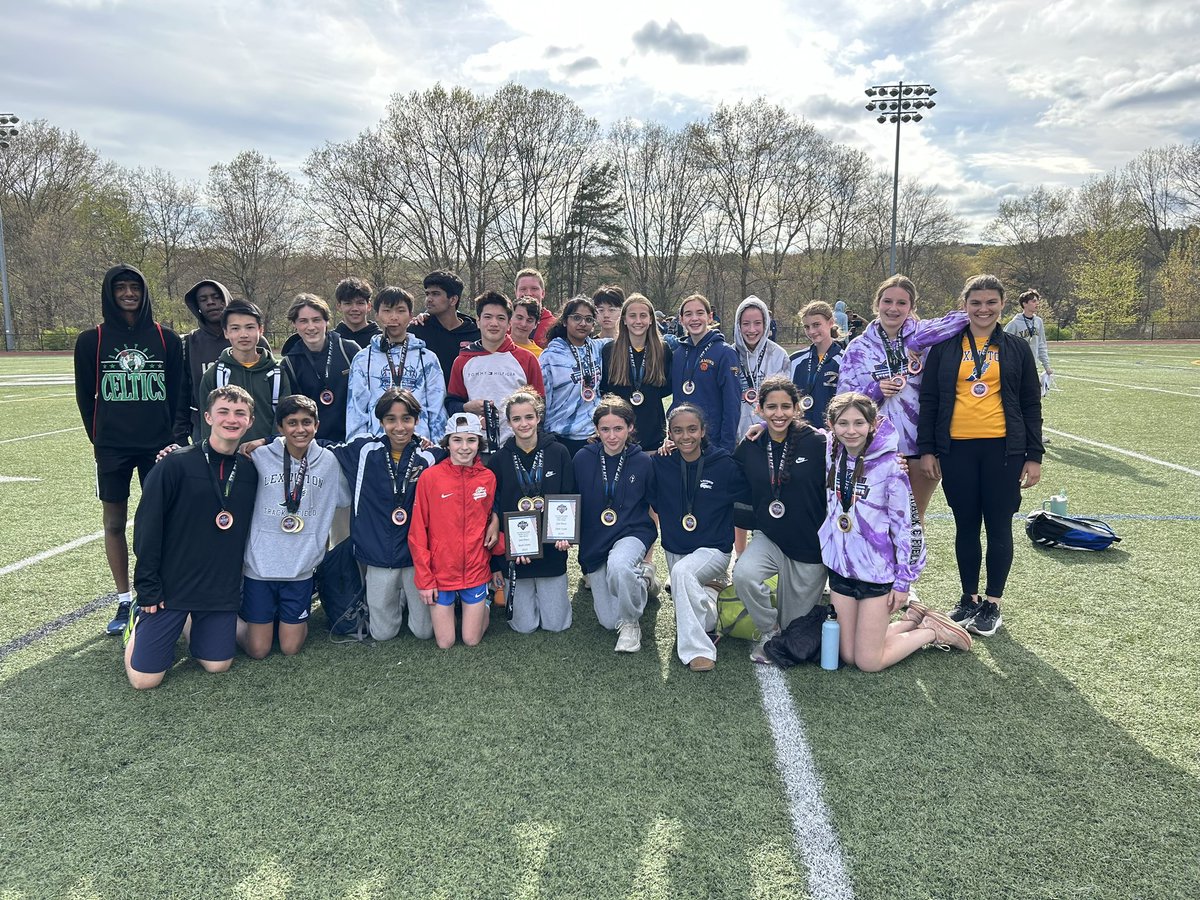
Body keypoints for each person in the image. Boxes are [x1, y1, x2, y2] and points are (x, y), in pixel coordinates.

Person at [918, 274, 1044, 637]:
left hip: (1003, 450)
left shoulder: (1016, 348)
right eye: (976, 303)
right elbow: (930, 402)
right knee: (966, 526)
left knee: (999, 525)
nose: (983, 309)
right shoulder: (945, 348)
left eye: (990, 302)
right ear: (965, 305)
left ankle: (993, 604)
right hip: (956, 449)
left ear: (1002, 304)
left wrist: (1033, 455)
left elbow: (1030, 404)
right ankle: (968, 598)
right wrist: (928, 449)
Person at [821, 392, 972, 670]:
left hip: (877, 573)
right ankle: (911, 620)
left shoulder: (890, 465)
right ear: (832, 426)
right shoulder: (830, 453)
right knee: (848, 656)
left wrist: (903, 582)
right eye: (843, 423)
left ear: (872, 425)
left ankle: (932, 631)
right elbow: (796, 430)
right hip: (841, 568)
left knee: (868, 662)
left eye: (858, 423)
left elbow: (909, 527)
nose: (851, 431)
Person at [74, 263, 184, 635]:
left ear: (144, 291)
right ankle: (123, 599)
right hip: (113, 447)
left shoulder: (167, 338)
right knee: (115, 522)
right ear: (110, 292)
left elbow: (177, 394)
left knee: (161, 522)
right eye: (120, 287)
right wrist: (99, 440)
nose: (128, 293)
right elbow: (85, 397)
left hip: (157, 445)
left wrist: (173, 437)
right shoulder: (93, 340)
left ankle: (160, 593)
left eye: (134, 287)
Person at [123, 385, 258, 689]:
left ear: (250, 422)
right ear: (208, 416)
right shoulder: (175, 464)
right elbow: (147, 528)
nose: (231, 419)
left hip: (217, 590)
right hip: (171, 587)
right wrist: (147, 587)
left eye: (240, 413)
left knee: (218, 665)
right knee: (145, 681)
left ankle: (188, 621)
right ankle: (136, 623)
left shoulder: (250, 471)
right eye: (223, 411)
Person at [836, 275, 967, 523]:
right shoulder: (858, 347)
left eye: (902, 303)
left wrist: (918, 340)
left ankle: (910, 564)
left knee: (913, 520)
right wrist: (874, 392)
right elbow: (841, 402)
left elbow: (965, 317)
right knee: (875, 520)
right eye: (887, 301)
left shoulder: (925, 336)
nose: (893, 308)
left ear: (911, 307)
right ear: (877, 304)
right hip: (874, 447)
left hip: (920, 446)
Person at [238, 395, 350, 658]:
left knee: (290, 648)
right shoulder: (258, 456)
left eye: (307, 422)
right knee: (258, 650)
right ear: (280, 428)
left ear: (317, 426)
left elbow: (344, 498)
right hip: (260, 567)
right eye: (292, 423)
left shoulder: (329, 462)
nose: (300, 429)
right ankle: (216, 624)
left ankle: (281, 621)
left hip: (300, 568)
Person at [330, 388, 441, 642]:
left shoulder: (431, 457)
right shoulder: (362, 451)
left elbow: (463, 457)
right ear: (381, 421)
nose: (399, 426)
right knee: (382, 634)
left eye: (406, 419)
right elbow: (317, 446)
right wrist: (266, 441)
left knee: (425, 632)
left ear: (416, 420)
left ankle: (404, 597)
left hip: (416, 559)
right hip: (378, 556)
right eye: (391, 419)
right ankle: (395, 598)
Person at [731, 376, 827, 663]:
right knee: (744, 575)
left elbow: (855, 452)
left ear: (797, 408)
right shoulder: (751, 444)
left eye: (786, 406)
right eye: (771, 407)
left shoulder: (817, 442)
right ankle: (770, 631)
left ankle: (788, 627)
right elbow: (731, 477)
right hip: (770, 538)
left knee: (794, 627)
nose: (779, 413)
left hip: (809, 547)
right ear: (759, 409)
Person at [650, 405, 749, 672]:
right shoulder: (661, 463)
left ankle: (699, 650)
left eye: (692, 429)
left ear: (703, 431)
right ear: (669, 434)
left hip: (713, 550)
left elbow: (750, 496)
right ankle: (710, 597)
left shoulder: (723, 464)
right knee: (689, 597)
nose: (686, 437)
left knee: (682, 575)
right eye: (678, 431)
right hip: (675, 548)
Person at [409, 412, 504, 649]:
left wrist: (496, 522)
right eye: (457, 440)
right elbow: (418, 531)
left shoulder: (488, 478)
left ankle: (485, 603)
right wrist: (425, 579)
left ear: (479, 443)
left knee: (471, 640)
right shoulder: (430, 478)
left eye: (471, 440)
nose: (464, 447)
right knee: (445, 642)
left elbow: (492, 513)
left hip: (475, 569)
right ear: (447, 442)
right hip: (441, 573)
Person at [573, 396, 658, 653]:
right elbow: (569, 503)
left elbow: (653, 507)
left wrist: (651, 549)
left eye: (618, 428)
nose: (612, 436)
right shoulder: (582, 458)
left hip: (632, 532)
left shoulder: (643, 461)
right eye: (605, 429)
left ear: (630, 427)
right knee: (609, 621)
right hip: (596, 539)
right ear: (597, 430)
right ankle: (642, 582)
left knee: (620, 567)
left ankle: (632, 625)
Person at [488, 388, 576, 633]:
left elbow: (568, 495)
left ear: (538, 418)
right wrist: (507, 551)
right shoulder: (498, 460)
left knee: (556, 625)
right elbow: (494, 507)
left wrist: (564, 535)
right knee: (523, 627)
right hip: (517, 553)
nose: (523, 423)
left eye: (529, 417)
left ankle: (547, 598)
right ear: (509, 423)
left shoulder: (558, 452)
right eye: (516, 419)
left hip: (552, 550)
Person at [173, 278, 269, 446]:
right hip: (206, 425)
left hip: (253, 425)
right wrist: (180, 433)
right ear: (197, 307)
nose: (210, 302)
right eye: (203, 300)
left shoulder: (255, 341)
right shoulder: (189, 343)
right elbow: (183, 392)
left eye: (216, 297)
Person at [345, 287, 447, 443]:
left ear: (411, 315)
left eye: (400, 311)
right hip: (377, 448)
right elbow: (356, 412)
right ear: (377, 314)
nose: (393, 317)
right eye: (387, 311)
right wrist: (359, 450)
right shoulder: (363, 359)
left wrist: (438, 450)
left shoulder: (427, 358)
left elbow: (437, 409)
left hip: (421, 447)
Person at [446, 291, 544, 449]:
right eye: (487, 317)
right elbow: (451, 404)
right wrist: (466, 407)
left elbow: (540, 405)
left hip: (517, 448)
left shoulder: (527, 359)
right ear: (478, 321)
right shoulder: (463, 360)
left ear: (509, 324)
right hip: (474, 450)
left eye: (500, 318)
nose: (494, 323)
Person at [197, 300, 291, 444]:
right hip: (227, 459)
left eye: (249, 327)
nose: (243, 334)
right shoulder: (213, 375)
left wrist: (266, 446)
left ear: (260, 330)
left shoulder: (277, 374)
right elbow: (207, 426)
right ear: (226, 332)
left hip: (268, 457)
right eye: (235, 328)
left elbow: (283, 422)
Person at [279, 294, 357, 442]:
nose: (311, 327)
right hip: (313, 446)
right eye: (303, 321)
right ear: (294, 324)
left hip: (351, 442)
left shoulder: (349, 350)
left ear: (326, 321)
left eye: (316, 320)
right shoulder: (289, 363)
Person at [600, 293, 673, 452]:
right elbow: (604, 390)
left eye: (643, 316)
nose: (638, 321)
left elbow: (666, 388)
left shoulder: (663, 350)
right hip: (619, 439)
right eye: (632, 316)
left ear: (651, 319)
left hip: (653, 437)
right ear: (624, 320)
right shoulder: (609, 351)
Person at [671, 294, 741, 452]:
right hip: (683, 443)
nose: (694, 318)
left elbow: (732, 405)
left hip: (712, 443)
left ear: (710, 317)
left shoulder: (725, 353)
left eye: (700, 313)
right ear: (681, 320)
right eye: (688, 314)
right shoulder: (678, 354)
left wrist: (726, 448)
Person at [539, 297, 605, 457]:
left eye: (588, 319)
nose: (583, 323)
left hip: (593, 437)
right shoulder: (550, 357)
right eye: (576, 318)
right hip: (560, 437)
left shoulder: (600, 348)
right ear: (564, 321)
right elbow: (542, 400)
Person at [733, 296, 790, 440]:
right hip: (735, 435)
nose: (751, 330)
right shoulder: (728, 355)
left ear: (765, 324)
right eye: (746, 323)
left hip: (771, 434)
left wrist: (766, 425)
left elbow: (785, 400)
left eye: (757, 323)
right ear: (738, 325)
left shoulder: (778, 355)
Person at [408, 269, 481, 382]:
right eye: (427, 294)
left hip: (465, 398)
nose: (429, 299)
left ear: (453, 300)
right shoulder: (418, 331)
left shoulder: (476, 334)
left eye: (436, 294)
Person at [788, 301, 844, 429]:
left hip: (832, 435)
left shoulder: (845, 360)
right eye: (807, 327)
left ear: (831, 322)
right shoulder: (795, 360)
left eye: (816, 325)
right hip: (799, 434)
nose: (811, 331)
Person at [1004, 289, 1054, 377]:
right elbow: (1005, 344)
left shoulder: (1038, 321)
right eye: (1034, 301)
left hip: (1033, 365)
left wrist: (1047, 366)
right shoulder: (1014, 323)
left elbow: (1041, 344)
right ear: (1024, 304)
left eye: (1037, 301)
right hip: (1017, 366)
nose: (1037, 303)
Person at [333, 276, 381, 351]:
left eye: (360, 303)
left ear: (368, 306)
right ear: (339, 306)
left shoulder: (381, 339)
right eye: (348, 303)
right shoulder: (331, 340)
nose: (354, 309)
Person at [517, 267, 558, 348]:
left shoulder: (555, 327)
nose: (528, 293)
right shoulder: (506, 325)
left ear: (543, 293)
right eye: (523, 289)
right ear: (516, 292)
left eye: (534, 289)